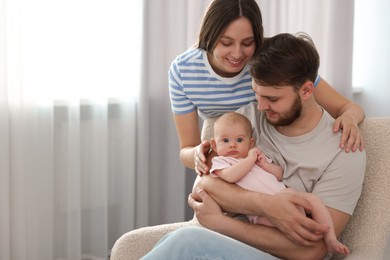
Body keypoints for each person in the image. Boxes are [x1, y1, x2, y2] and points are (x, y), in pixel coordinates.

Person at [142, 33, 366, 259]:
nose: (260, 106)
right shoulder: (247, 121)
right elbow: (204, 184)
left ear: (307, 90)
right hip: (224, 245)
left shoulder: (344, 150)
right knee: (177, 243)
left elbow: (313, 250)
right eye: (256, 94)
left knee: (186, 242)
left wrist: (221, 223)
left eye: (272, 98)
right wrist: (267, 206)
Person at [169, 0, 365, 177]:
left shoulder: (267, 61)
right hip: (223, 157)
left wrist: (349, 118)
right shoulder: (184, 71)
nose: (237, 54)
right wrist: (198, 154)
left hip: (269, 155)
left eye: (247, 43)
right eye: (226, 43)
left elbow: (348, 107)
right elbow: (186, 148)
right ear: (208, 37)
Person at [192, 111, 349, 256]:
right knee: (285, 226)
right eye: (225, 140)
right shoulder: (221, 162)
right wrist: (250, 160)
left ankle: (330, 238)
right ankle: (305, 232)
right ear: (214, 145)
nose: (232, 145)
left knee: (313, 200)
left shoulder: (256, 156)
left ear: (250, 142)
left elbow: (279, 175)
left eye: (239, 140)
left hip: (284, 194)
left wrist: (265, 165)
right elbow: (231, 176)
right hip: (261, 214)